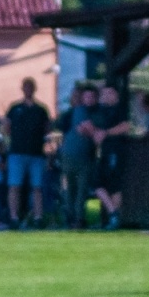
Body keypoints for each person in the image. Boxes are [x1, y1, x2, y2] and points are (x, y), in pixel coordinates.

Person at [5, 77, 50, 228]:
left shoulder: (41, 110)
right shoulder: (14, 108)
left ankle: (38, 217)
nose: (28, 90)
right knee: (14, 186)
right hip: (17, 152)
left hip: (36, 153)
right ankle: (14, 217)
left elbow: (47, 130)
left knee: (37, 187)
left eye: (30, 87)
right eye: (26, 87)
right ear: (22, 89)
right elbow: (6, 128)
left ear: (34, 89)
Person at [58, 84, 99, 229]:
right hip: (77, 155)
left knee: (74, 188)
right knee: (77, 188)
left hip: (75, 154)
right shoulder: (77, 112)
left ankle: (73, 217)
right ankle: (76, 218)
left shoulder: (80, 112)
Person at [90, 84, 131, 230]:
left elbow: (126, 127)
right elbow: (96, 130)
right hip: (103, 152)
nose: (106, 96)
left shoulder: (120, 109)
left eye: (109, 93)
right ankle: (113, 215)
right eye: (104, 94)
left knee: (114, 185)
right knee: (97, 184)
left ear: (116, 95)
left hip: (116, 151)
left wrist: (106, 133)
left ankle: (114, 217)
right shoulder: (101, 111)